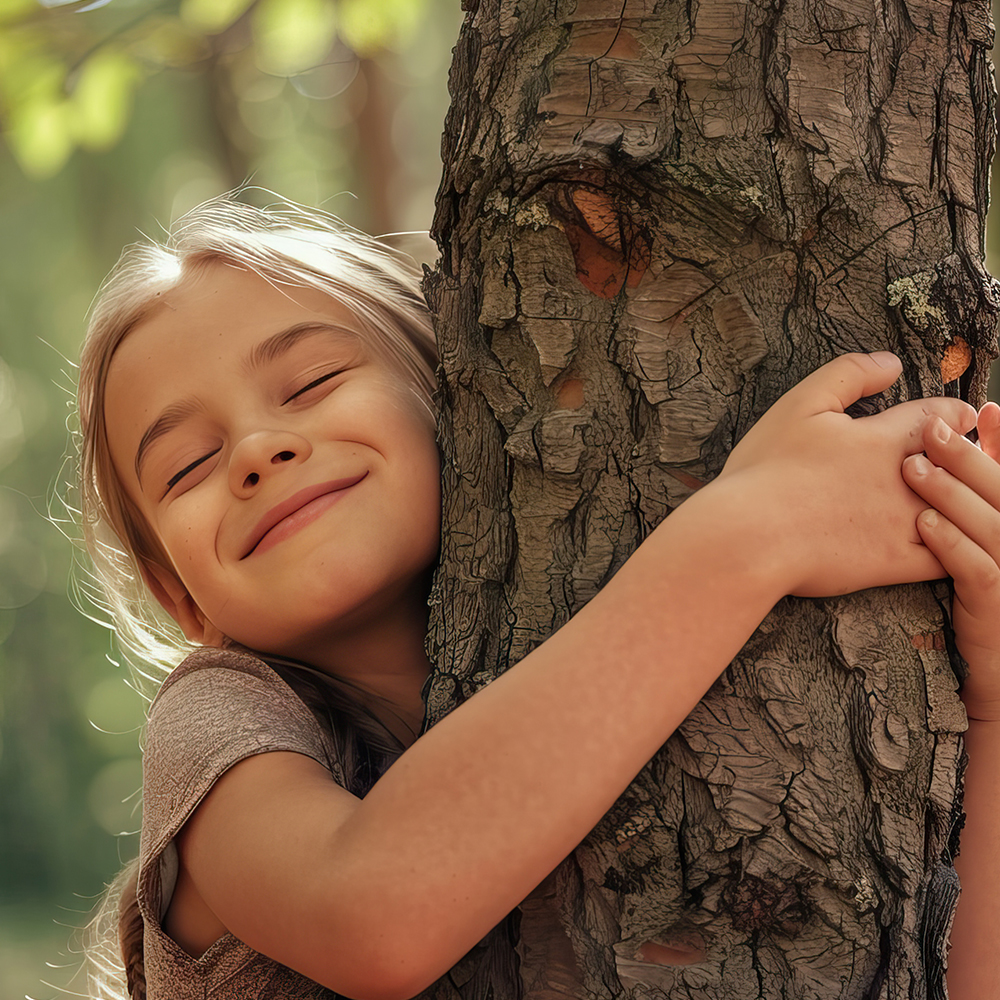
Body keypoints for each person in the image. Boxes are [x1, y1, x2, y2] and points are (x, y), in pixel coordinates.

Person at [74, 194, 998, 1000]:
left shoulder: (586, 653)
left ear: (454, 399)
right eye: (186, 465)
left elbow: (937, 975)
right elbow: (372, 914)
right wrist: (756, 530)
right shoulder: (215, 722)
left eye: (312, 382)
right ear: (176, 593)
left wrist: (991, 702)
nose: (255, 451)